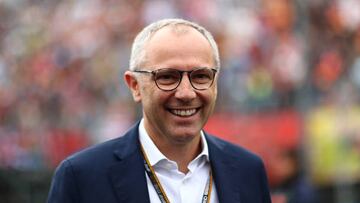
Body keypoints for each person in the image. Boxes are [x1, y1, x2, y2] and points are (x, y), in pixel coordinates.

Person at [47, 18, 272, 203]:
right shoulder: (82, 177)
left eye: (201, 76)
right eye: (167, 77)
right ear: (135, 86)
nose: (186, 93)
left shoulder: (248, 170)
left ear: (215, 83)